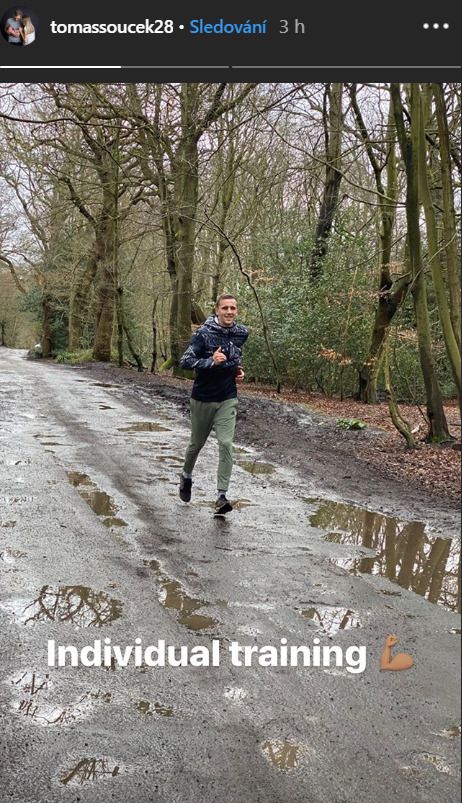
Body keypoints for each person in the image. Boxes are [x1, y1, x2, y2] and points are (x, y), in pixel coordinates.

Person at [179, 294, 249, 514]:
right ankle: (186, 476)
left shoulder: (241, 333)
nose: (229, 312)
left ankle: (221, 496)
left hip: (227, 397)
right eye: (225, 308)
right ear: (217, 310)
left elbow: (235, 357)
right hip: (202, 398)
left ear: (237, 311)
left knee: (226, 443)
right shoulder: (202, 334)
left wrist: (238, 371)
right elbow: (185, 361)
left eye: (233, 308)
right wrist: (210, 361)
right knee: (196, 444)